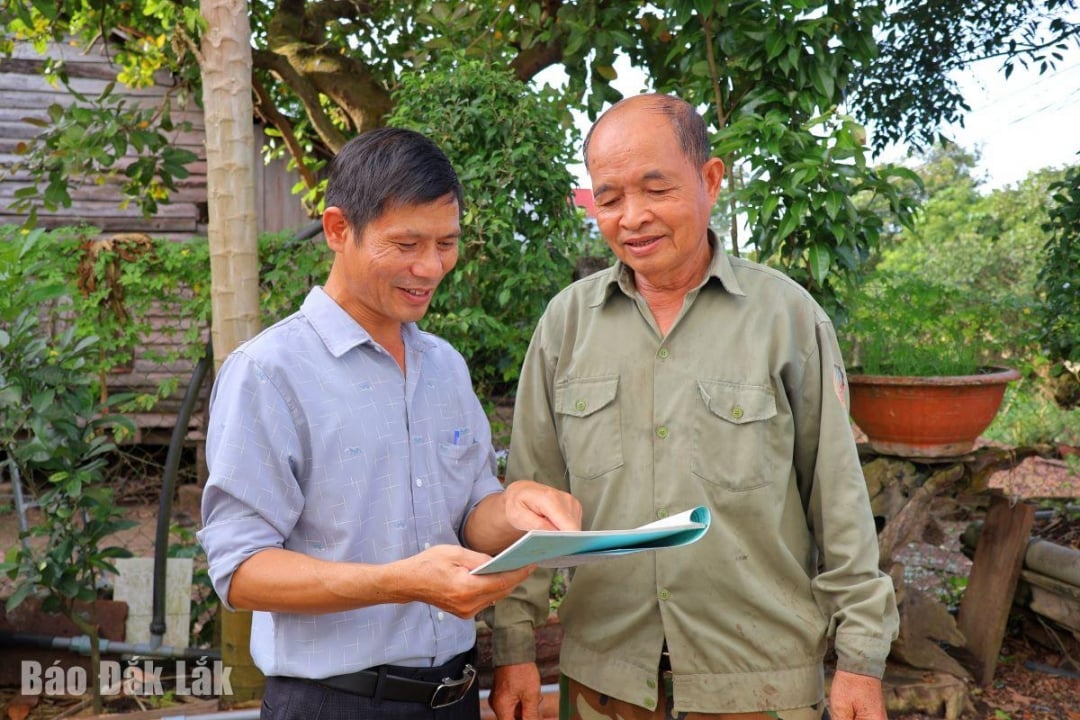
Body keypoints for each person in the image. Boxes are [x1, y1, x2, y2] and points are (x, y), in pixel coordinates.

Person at [489, 94, 898, 720]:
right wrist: (514, 644)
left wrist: (860, 660)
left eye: (657, 189)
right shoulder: (566, 324)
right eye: (610, 198)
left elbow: (838, 501)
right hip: (605, 682)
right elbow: (531, 495)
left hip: (759, 684)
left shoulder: (786, 319)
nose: (633, 218)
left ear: (710, 180)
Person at [198, 127, 581, 720]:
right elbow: (242, 572)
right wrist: (400, 582)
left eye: (446, 243)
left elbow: (469, 518)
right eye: (405, 244)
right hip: (333, 703)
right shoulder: (269, 373)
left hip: (454, 699)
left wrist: (513, 510)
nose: (430, 267)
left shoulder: (445, 367)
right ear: (337, 230)